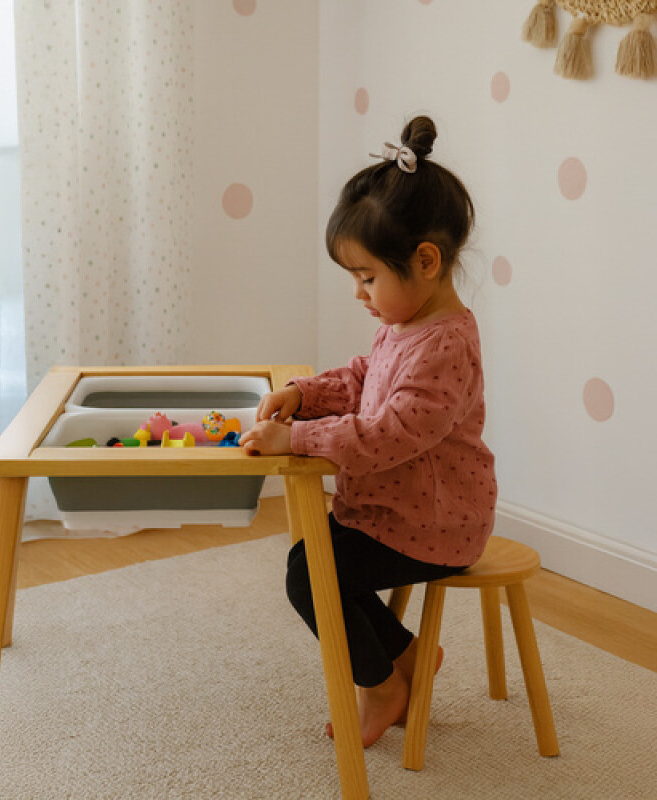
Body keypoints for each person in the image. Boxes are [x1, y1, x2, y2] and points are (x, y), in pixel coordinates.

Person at [238, 115, 497, 748]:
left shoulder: (445, 345)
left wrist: (297, 440)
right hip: (393, 511)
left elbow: (389, 433)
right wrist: (305, 396)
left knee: (311, 574)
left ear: (426, 262)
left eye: (367, 278)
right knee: (314, 560)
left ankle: (382, 685)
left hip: (436, 524)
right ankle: (406, 659)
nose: (359, 293)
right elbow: (364, 377)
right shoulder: (407, 325)